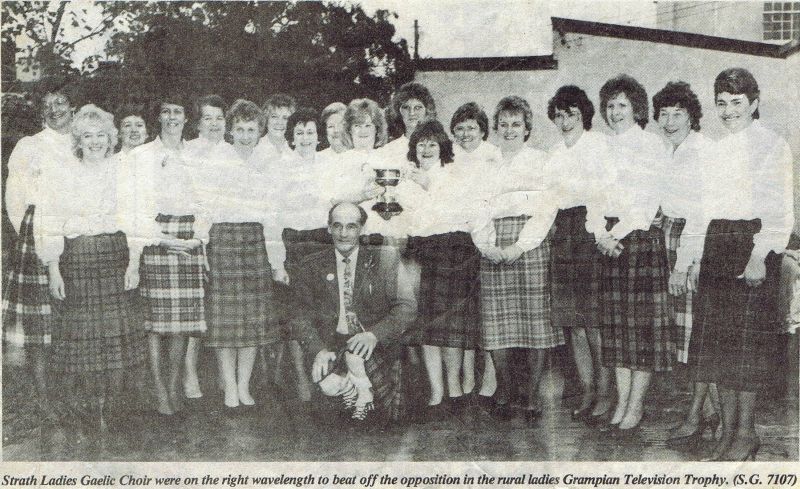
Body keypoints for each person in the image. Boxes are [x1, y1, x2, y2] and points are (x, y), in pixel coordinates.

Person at [688, 68, 794, 460]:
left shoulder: (771, 144)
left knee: (746, 348)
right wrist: (694, 256)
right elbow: (703, 211)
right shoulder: (713, 148)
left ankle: (747, 432)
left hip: (752, 246)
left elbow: (780, 212)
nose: (728, 110)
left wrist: (758, 255)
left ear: (754, 103)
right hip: (717, 244)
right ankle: (728, 432)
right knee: (719, 348)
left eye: (737, 102)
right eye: (721, 102)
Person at [41, 104, 145, 430]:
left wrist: (134, 264)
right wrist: (53, 269)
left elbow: (136, 219)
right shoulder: (62, 172)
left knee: (114, 336)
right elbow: (50, 222)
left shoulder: (123, 170)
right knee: (84, 337)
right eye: (88, 135)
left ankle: (111, 410)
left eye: (101, 135)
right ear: (78, 140)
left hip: (114, 255)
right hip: (77, 257)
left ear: (111, 138)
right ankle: (89, 408)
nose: (96, 141)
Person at [471, 96, 562, 424]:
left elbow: (546, 208)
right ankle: (507, 392)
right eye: (504, 124)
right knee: (497, 324)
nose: (509, 130)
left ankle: (533, 394)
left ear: (527, 129)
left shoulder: (541, 161)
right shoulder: (486, 164)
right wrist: (487, 245)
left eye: (516, 124)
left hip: (530, 244)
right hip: (493, 245)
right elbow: (478, 208)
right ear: (495, 129)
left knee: (534, 323)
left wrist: (519, 246)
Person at [595, 74, 673, 436]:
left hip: (637, 239)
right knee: (616, 329)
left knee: (640, 331)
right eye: (610, 105)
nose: (615, 112)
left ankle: (636, 404)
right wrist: (599, 233)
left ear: (636, 108)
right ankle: (622, 401)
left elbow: (646, 202)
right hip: (608, 240)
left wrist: (614, 235)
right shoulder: (601, 146)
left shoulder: (651, 145)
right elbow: (592, 198)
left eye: (622, 105)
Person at [291, 202, 416, 423]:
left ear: (362, 228)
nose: (343, 233)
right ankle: (350, 387)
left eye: (351, 226)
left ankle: (363, 391)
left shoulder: (385, 259)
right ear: (328, 228)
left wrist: (375, 334)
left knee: (380, 420)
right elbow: (301, 317)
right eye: (337, 226)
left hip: (375, 345)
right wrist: (318, 350)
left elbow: (407, 307)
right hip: (333, 346)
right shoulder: (310, 265)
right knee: (328, 397)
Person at [124, 93, 208, 416]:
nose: (172, 117)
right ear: (158, 117)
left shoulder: (197, 154)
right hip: (155, 238)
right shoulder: (142, 156)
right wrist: (161, 239)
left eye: (178, 111)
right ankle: (160, 389)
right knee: (157, 323)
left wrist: (197, 237)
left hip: (190, 240)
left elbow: (205, 202)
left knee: (182, 323)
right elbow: (135, 206)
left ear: (187, 118)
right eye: (166, 111)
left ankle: (174, 385)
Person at [2, 76, 77, 423]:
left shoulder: (83, 139)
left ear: (72, 106)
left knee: (71, 319)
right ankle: (44, 400)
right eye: (48, 104)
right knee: (40, 324)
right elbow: (15, 200)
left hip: (77, 233)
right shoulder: (29, 146)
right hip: (38, 233)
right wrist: (30, 238)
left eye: (60, 102)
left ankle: (73, 395)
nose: (54, 109)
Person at [651, 81, 720, 444]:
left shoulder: (702, 151)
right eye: (664, 113)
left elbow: (702, 213)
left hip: (695, 244)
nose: (670, 120)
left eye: (678, 113)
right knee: (684, 337)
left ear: (692, 116)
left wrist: (685, 263)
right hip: (670, 239)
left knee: (697, 336)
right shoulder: (667, 150)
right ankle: (708, 414)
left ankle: (698, 416)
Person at [195, 99, 276, 409]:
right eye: (239, 129)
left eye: (251, 129)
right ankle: (229, 386)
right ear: (230, 131)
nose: (245, 135)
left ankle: (244, 386)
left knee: (252, 322)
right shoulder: (216, 159)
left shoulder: (268, 161)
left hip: (254, 239)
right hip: (223, 239)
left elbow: (271, 212)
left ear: (260, 131)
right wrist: (203, 245)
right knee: (225, 322)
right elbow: (204, 206)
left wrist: (275, 258)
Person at [403, 120, 481, 419]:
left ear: (442, 148)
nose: (425, 149)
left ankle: (455, 390)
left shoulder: (452, 174)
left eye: (432, 144)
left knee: (450, 329)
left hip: (452, 251)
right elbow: (409, 217)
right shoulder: (407, 178)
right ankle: (436, 393)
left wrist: (428, 184)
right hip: (421, 250)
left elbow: (456, 212)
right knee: (426, 328)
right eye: (420, 144)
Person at [545, 85, 614, 422]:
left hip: (588, 228)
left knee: (592, 321)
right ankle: (587, 389)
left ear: (583, 114)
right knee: (572, 323)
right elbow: (550, 197)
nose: (564, 120)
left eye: (570, 113)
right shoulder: (555, 152)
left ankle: (604, 391)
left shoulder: (598, 144)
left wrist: (595, 230)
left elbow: (599, 192)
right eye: (558, 115)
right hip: (562, 232)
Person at [448, 102, 500, 405]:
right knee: (462, 314)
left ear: (482, 129)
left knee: (487, 314)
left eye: (471, 127)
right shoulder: (449, 159)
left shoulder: (493, 156)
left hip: (486, 241)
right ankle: (467, 377)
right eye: (460, 127)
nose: (465, 133)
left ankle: (490, 380)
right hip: (457, 244)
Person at [382, 82, 437, 163]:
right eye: (406, 107)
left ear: (427, 111)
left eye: (418, 108)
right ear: (398, 112)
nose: (412, 113)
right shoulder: (390, 149)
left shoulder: (439, 147)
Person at [257, 93, 296, 160]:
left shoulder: (296, 148)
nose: (279, 122)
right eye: (274, 117)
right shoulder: (255, 147)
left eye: (285, 118)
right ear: (266, 119)